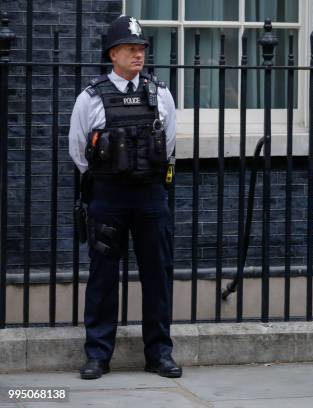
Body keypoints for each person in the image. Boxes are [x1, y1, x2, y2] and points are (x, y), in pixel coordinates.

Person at [68, 15, 180, 380]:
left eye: (142, 49)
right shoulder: (91, 97)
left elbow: (171, 144)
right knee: (102, 277)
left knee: (157, 276)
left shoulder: (160, 93)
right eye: (131, 49)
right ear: (113, 54)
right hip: (108, 195)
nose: (138, 55)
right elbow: (78, 153)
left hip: (150, 195)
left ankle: (159, 354)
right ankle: (98, 355)